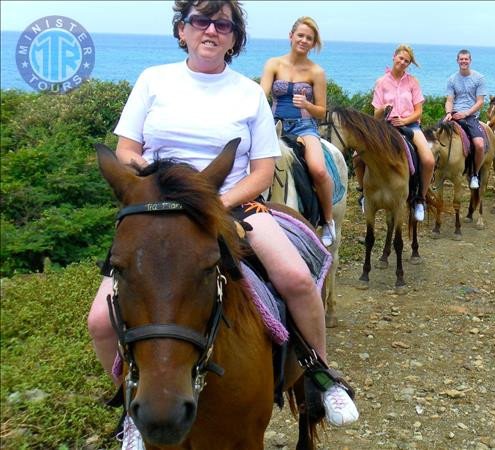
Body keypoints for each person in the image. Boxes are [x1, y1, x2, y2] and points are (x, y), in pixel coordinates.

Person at [86, 3, 358, 440]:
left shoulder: (247, 93)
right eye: (200, 20)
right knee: (100, 321)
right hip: (160, 211)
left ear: (234, 38)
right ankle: (132, 406)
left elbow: (263, 171)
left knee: (296, 278)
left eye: (223, 24)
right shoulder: (153, 80)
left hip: (231, 205)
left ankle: (320, 375)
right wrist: (141, 170)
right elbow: (125, 150)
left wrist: (214, 205)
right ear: (182, 31)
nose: (211, 29)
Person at [259, 16, 336, 247]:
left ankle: (328, 220)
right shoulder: (273, 64)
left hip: (303, 127)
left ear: (313, 44)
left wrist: (308, 106)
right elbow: (262, 94)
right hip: (274, 125)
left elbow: (322, 112)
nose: (304, 40)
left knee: (319, 170)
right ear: (291, 36)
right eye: (300, 35)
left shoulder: (317, 72)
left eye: (309, 38)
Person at [371, 44, 433, 221]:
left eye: (407, 61)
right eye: (401, 58)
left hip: (411, 125)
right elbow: (376, 113)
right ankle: (364, 193)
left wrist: (405, 121)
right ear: (394, 57)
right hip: (386, 126)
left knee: (428, 160)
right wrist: (384, 108)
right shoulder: (381, 82)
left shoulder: (413, 82)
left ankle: (420, 199)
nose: (403, 62)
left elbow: (418, 111)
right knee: (358, 157)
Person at [444, 49, 487, 190]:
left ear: (470, 60)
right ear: (457, 61)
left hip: (470, 115)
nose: (463, 61)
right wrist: (448, 113)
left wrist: (466, 113)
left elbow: (480, 101)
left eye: (466, 59)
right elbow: (449, 100)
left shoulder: (479, 78)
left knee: (479, 145)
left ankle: (474, 173)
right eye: (461, 59)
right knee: (434, 138)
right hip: (455, 114)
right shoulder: (451, 79)